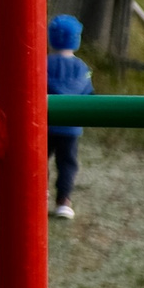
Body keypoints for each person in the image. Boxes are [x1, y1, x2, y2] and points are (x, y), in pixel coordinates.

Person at [48, 14, 94, 221]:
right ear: (77, 39)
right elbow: (90, 95)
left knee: (38, 161)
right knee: (67, 164)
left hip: (44, 125)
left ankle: (37, 195)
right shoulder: (82, 68)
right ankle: (64, 201)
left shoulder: (42, 64)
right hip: (71, 128)